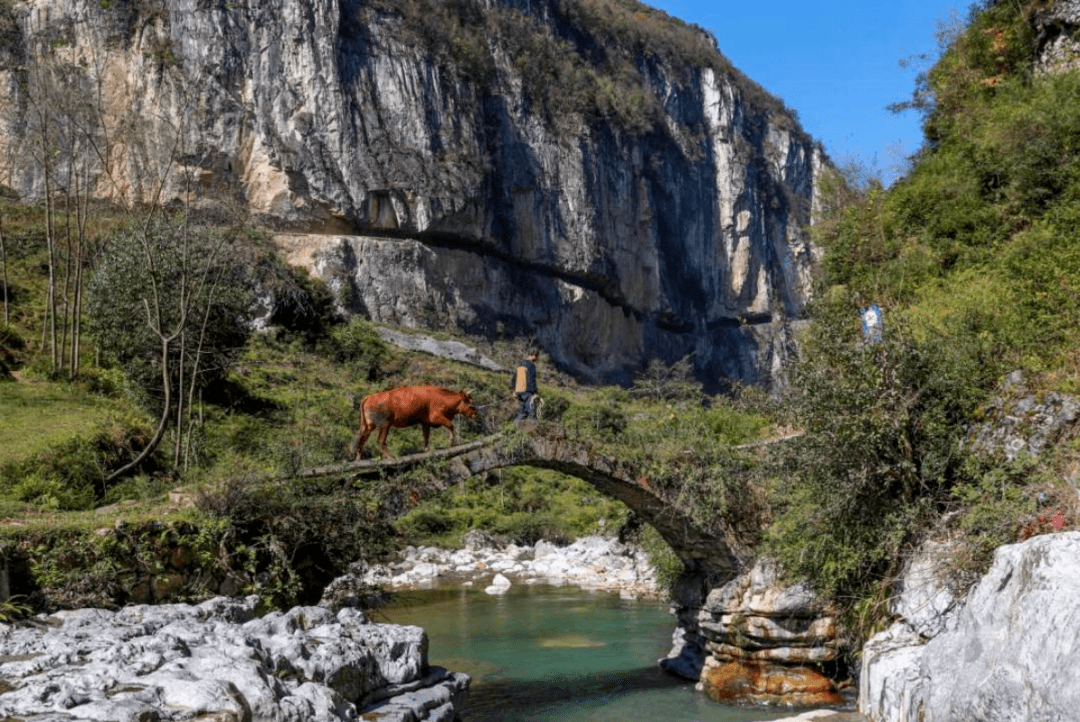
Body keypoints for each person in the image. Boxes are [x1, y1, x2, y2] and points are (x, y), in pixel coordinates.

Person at [511, 352, 539, 420]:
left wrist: (515, 390)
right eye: (536, 355)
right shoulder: (527, 365)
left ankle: (514, 427)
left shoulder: (526, 364)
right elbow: (530, 380)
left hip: (524, 391)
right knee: (531, 412)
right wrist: (534, 392)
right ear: (531, 355)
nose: (537, 357)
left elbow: (515, 378)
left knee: (523, 412)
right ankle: (532, 428)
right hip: (526, 391)